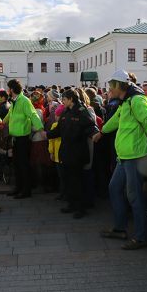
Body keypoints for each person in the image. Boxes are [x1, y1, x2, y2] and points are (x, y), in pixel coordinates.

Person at [93, 69, 147, 250]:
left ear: (119, 85)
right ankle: (120, 228)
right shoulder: (126, 102)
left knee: (135, 197)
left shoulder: (136, 101)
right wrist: (101, 133)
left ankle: (142, 237)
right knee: (115, 188)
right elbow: (115, 121)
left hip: (135, 157)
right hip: (125, 157)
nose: (109, 88)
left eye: (111, 85)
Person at [47, 90, 98, 218]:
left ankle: (81, 208)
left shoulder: (81, 111)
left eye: (64, 99)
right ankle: (72, 204)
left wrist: (95, 134)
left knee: (77, 181)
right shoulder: (66, 111)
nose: (62, 102)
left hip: (77, 152)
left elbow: (90, 126)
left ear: (70, 99)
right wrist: (47, 134)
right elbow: (59, 129)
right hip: (66, 151)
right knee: (69, 180)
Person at [2, 79, 44, 199]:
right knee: (16, 164)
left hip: (23, 139)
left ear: (11, 89)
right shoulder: (14, 101)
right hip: (15, 138)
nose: (7, 90)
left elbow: (33, 115)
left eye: (8, 88)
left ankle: (26, 191)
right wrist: (2, 122)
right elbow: (10, 114)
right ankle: (18, 188)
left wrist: (41, 129)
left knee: (23, 165)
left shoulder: (24, 100)